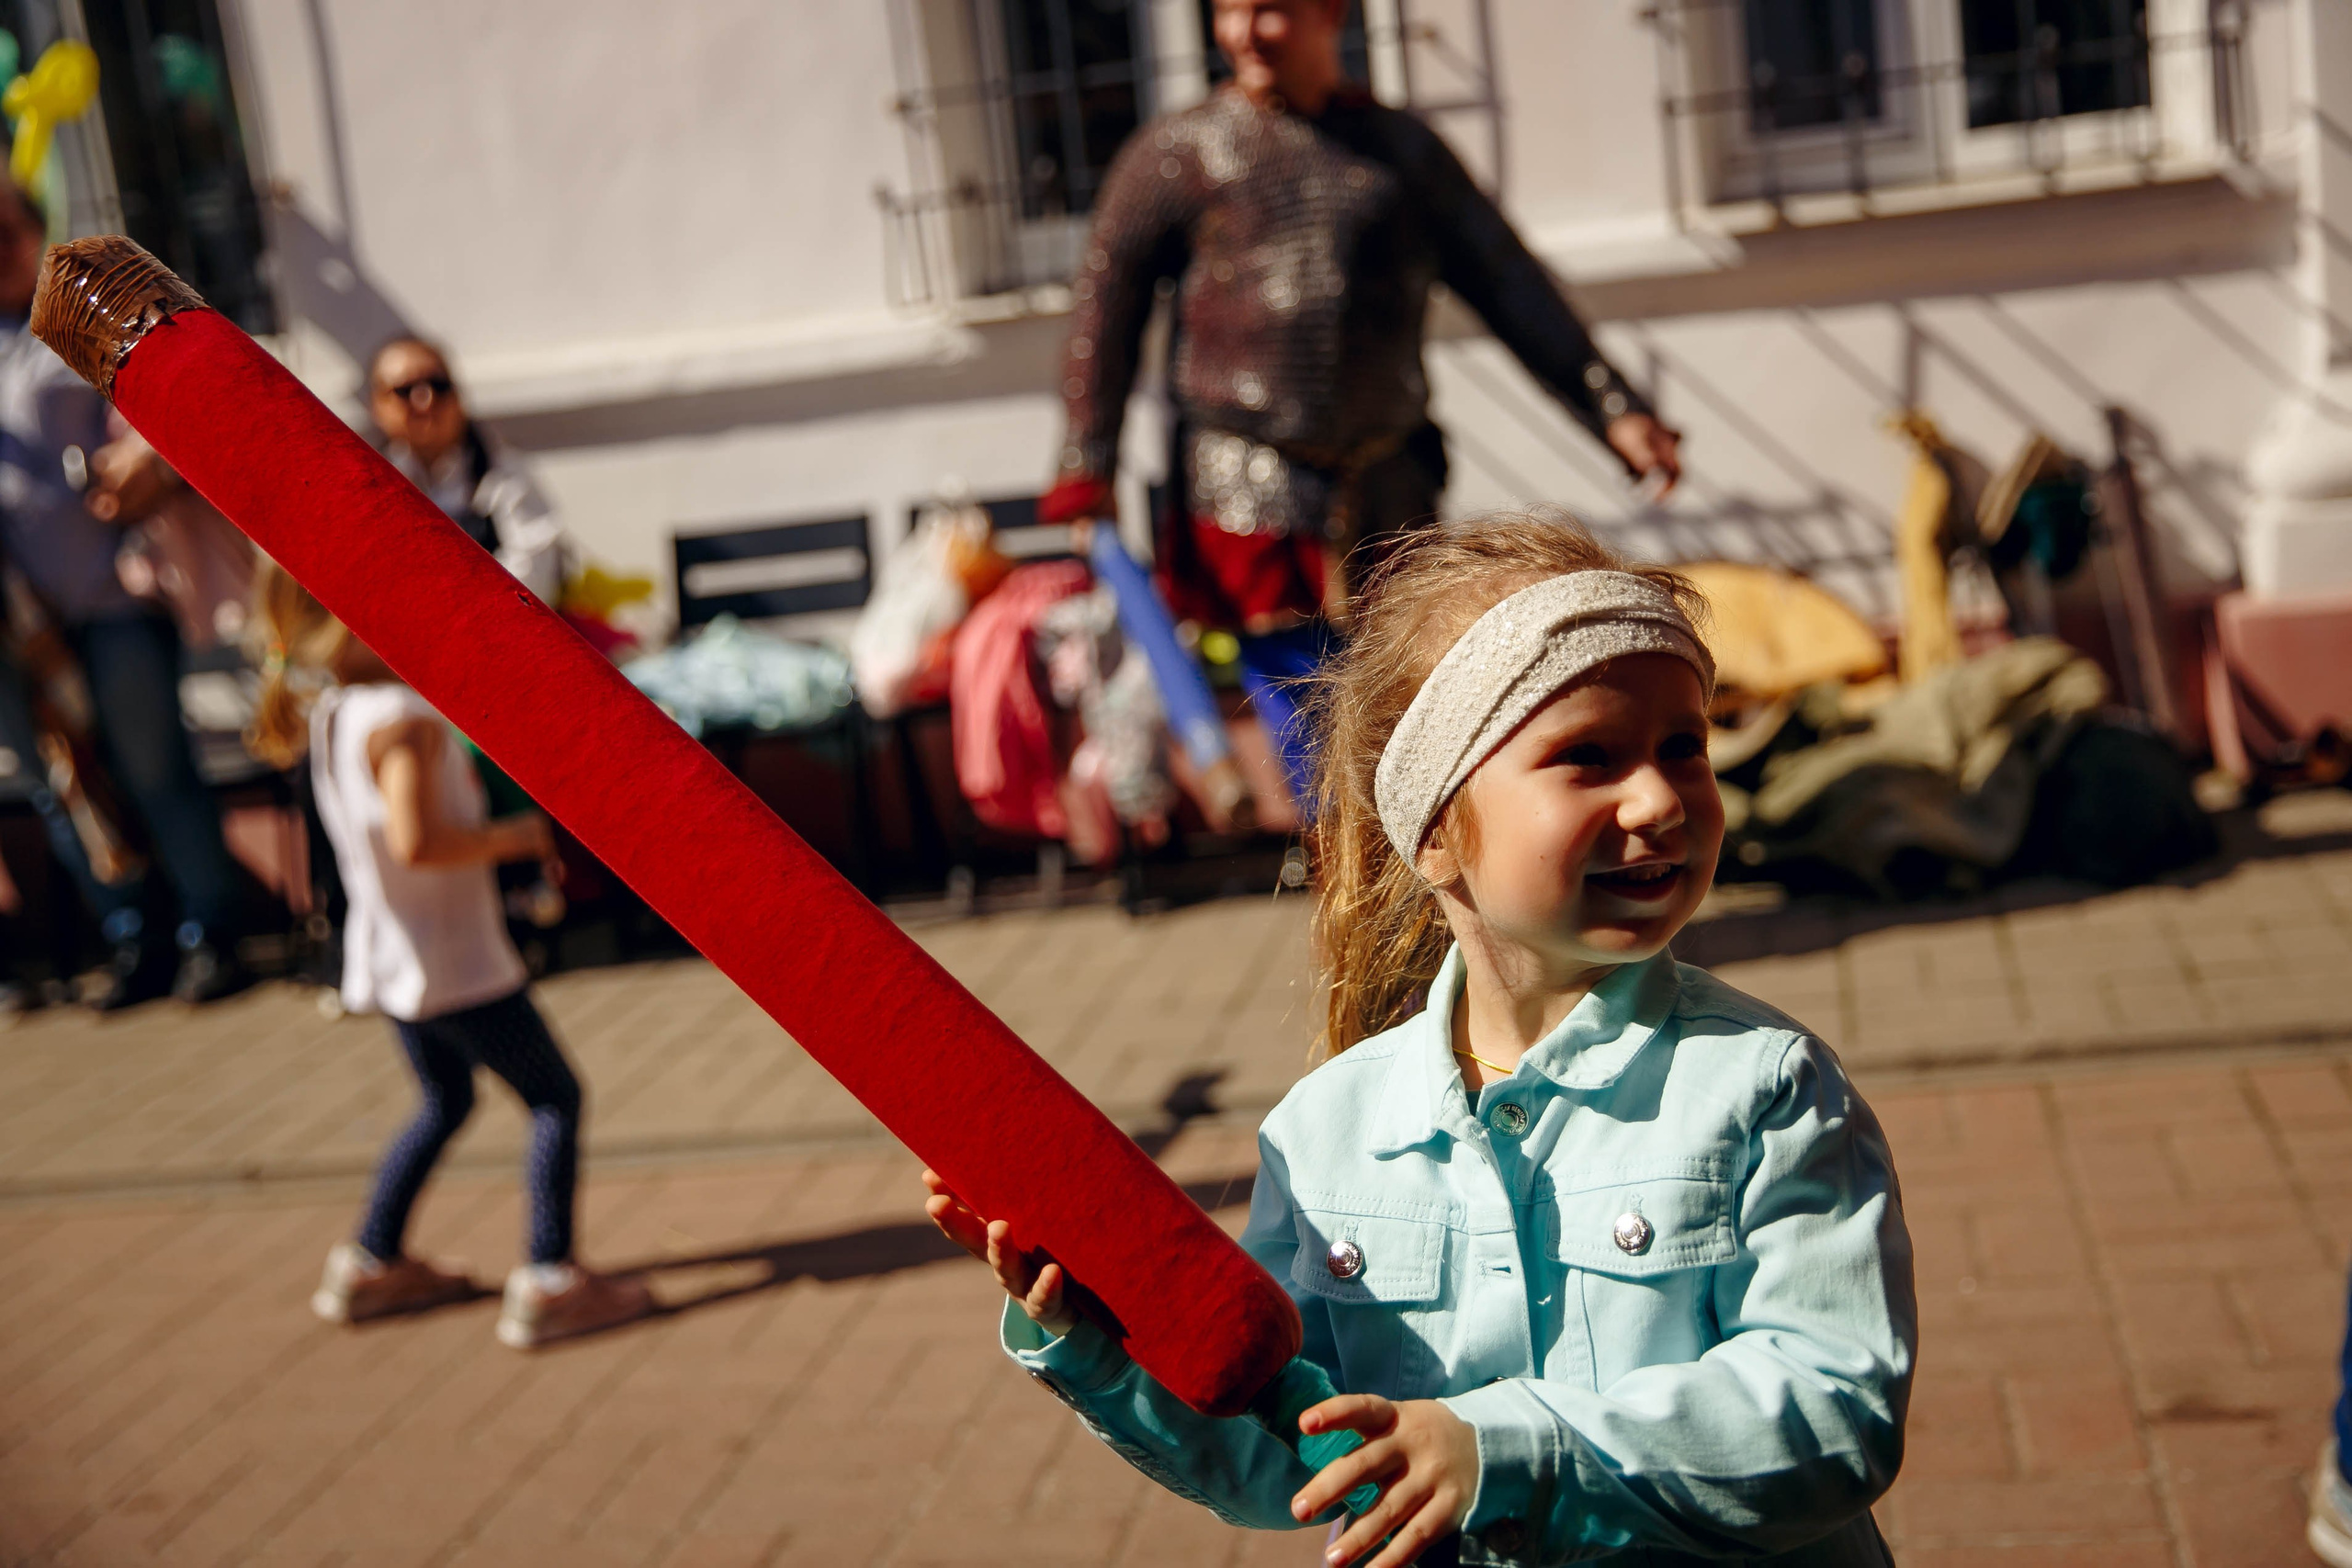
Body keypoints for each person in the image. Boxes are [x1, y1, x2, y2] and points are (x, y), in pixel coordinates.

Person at [926, 510, 1913, 1565]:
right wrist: (1103, 1334)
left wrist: (1505, 1450)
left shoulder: (1765, 1088)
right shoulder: (1326, 1129)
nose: (1660, 799)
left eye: (1684, 747)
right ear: (1436, 831)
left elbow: (1833, 1409)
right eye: (1588, 757)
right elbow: (1285, 1456)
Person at [1040, 0, 1683, 804]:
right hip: (1246, 480)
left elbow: (1509, 284)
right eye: (1229, 13)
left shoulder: (1402, 152)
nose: (1243, 35)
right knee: (1312, 721)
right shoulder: (1181, 152)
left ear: (1327, 14)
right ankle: (1352, 887)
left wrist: (1613, 407)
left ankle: (1404, 887)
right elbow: (1107, 304)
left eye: (1268, 11)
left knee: (1409, 702)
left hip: (1388, 472)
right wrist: (1086, 461)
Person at [245, 562, 649, 1348]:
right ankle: (550, 1275)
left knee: (445, 1102)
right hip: (455, 962)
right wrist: (519, 836)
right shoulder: (402, 715)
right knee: (555, 1098)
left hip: (394, 958)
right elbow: (418, 839)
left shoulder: (334, 708)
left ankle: (370, 1258)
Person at [0, 180, 250, 1007]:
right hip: (16, 622)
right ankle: (131, 933)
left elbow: (170, 395)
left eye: (6, 227)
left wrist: (142, 459)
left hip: (110, 600)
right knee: (66, 780)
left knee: (152, 766)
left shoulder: (70, 321)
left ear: (36, 230)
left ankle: (208, 931)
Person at [367, 335, 571, 604]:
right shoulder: (367, 483)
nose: (425, 400)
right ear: (377, 406)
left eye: (438, 386)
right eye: (406, 390)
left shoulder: (502, 470)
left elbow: (535, 572)